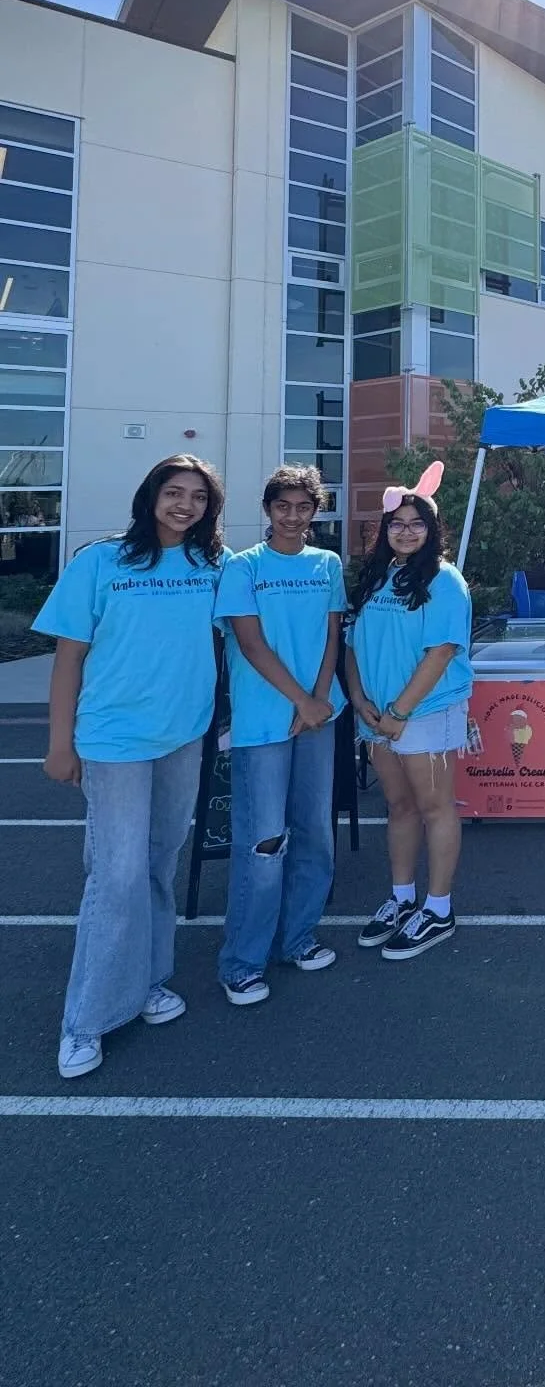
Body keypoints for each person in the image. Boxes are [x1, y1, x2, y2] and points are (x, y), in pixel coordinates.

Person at [35, 455, 228, 1079]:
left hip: (182, 738)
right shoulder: (99, 561)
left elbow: (252, 632)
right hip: (113, 741)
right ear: (150, 496)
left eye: (198, 497)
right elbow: (68, 659)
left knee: (155, 866)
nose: (185, 505)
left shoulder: (210, 566)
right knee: (114, 877)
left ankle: (145, 983)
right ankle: (86, 1019)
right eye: (174, 493)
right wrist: (59, 743)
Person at [214, 465, 348, 1007]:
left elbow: (331, 636)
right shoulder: (242, 567)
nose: (292, 517)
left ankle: (298, 939)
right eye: (282, 507)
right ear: (267, 510)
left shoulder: (328, 564)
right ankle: (242, 962)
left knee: (314, 831)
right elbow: (250, 644)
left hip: (317, 717)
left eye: (303, 508)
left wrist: (318, 702)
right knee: (264, 841)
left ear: (315, 512)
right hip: (264, 721)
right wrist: (301, 700)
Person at [345, 463, 474, 960]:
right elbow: (353, 644)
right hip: (376, 716)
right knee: (398, 808)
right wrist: (360, 701)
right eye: (396, 523)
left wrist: (399, 711)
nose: (405, 531)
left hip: (422, 713)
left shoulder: (444, 581)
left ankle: (438, 908)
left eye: (416, 523)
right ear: (384, 529)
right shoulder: (378, 576)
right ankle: (401, 899)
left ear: (432, 530)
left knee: (434, 808)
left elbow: (440, 652)